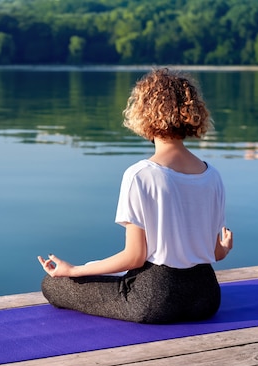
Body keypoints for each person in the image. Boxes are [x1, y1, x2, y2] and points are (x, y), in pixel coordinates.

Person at [37, 68, 233, 324]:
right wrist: (225, 248)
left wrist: (73, 270)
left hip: (157, 299)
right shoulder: (212, 175)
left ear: (143, 114)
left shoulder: (140, 174)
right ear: (192, 113)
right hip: (206, 297)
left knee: (53, 285)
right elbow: (214, 253)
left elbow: (134, 257)